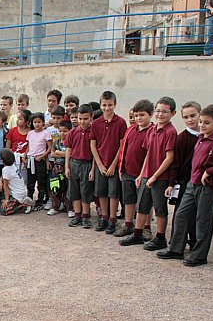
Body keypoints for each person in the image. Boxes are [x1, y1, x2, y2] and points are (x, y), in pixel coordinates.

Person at [157, 104, 213, 266]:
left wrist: (210, 171)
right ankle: (176, 249)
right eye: (201, 122)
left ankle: (199, 255)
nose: (202, 126)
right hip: (192, 185)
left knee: (202, 221)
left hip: (207, 187)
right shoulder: (200, 138)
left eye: (207, 123)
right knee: (181, 215)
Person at [120, 97, 178, 250]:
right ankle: (137, 234)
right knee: (142, 206)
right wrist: (142, 174)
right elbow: (148, 153)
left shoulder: (170, 132)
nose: (161, 114)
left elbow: (169, 158)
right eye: (159, 111)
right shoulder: (152, 130)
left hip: (160, 177)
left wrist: (154, 176)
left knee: (159, 208)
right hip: (147, 175)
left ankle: (160, 237)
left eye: (165, 112)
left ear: (172, 113)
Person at [114, 99, 154, 238]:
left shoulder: (152, 132)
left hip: (143, 174)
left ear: (150, 114)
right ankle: (129, 224)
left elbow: (150, 155)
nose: (138, 118)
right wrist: (121, 168)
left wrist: (142, 174)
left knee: (145, 203)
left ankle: (146, 227)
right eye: (136, 115)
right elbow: (124, 149)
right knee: (128, 200)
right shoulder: (131, 129)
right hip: (127, 171)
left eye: (142, 115)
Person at [90, 91, 127, 234]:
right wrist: (99, 164)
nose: (107, 108)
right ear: (100, 105)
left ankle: (112, 219)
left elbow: (121, 146)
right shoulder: (96, 123)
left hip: (113, 165)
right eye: (104, 105)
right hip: (101, 164)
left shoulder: (121, 122)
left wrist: (113, 165)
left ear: (115, 105)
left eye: (110, 105)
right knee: (102, 193)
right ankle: (104, 217)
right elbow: (93, 145)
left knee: (113, 193)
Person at [166, 101, 201, 247]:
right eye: (186, 117)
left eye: (193, 116)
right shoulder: (182, 138)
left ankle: (194, 243)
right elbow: (176, 163)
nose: (190, 120)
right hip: (184, 182)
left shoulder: (205, 136)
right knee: (180, 213)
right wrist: (172, 183)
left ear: (200, 114)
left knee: (197, 214)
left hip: (200, 182)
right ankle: (176, 243)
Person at [65, 104, 95, 229]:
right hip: (74, 164)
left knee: (85, 191)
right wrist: (67, 166)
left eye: (85, 119)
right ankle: (77, 215)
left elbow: (95, 153)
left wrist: (93, 169)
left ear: (91, 118)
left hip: (87, 164)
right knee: (74, 191)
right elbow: (68, 149)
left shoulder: (93, 132)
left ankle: (85, 216)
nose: (82, 121)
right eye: (80, 118)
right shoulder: (72, 132)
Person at [0, 149, 35, 216]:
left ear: (2, 160)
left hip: (17, 195)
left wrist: (6, 199)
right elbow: (4, 177)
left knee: (4, 211)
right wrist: (0, 181)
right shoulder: (13, 166)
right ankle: (1, 205)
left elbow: (6, 185)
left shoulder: (6, 169)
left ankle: (24, 206)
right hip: (18, 191)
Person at [24, 112, 52, 210]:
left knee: (41, 182)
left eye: (39, 122)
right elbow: (29, 146)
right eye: (35, 122)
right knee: (30, 182)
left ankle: (40, 201)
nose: (37, 124)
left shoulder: (46, 133)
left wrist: (42, 156)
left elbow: (49, 148)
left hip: (40, 161)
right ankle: (29, 199)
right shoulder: (30, 133)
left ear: (43, 122)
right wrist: (25, 156)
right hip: (31, 160)